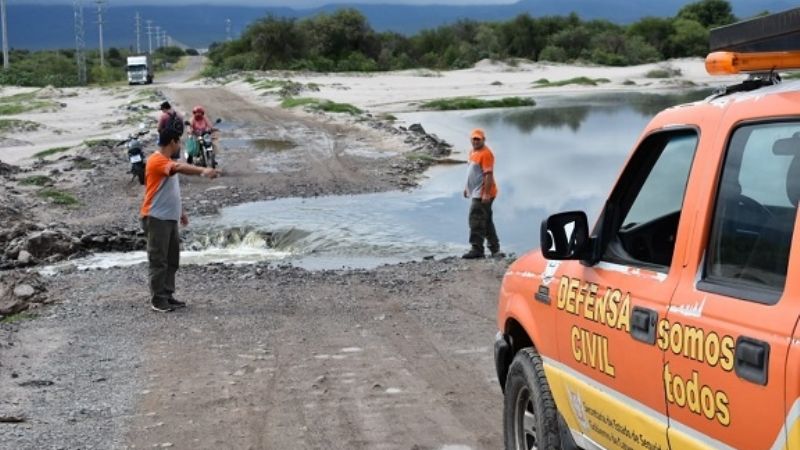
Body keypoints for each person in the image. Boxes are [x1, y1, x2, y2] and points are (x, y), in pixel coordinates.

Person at [140, 114, 220, 312]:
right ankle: (158, 300)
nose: (181, 147)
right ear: (172, 142)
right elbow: (179, 168)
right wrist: (202, 171)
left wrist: (181, 211)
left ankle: (167, 294)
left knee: (172, 259)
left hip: (169, 218)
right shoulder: (157, 161)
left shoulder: (166, 160)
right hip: (156, 217)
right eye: (179, 143)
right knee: (158, 260)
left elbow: (170, 192)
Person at [462, 128, 502, 259]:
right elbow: (472, 172)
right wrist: (467, 188)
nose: (475, 141)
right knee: (486, 220)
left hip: (482, 194)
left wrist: (486, 193)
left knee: (476, 220)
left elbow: (488, 175)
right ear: (471, 139)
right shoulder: (473, 152)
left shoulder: (486, 154)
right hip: (475, 192)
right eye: (474, 139)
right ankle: (495, 249)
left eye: (478, 139)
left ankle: (477, 249)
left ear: (483, 140)